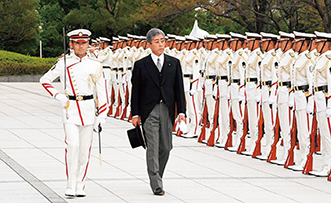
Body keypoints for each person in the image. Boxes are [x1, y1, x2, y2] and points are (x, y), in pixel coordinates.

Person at [40, 29, 108, 197]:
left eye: (83, 43)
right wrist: (57, 96)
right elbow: (45, 80)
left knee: (84, 150)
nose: (80, 46)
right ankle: (70, 184)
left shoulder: (95, 64)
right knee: (73, 145)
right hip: (70, 108)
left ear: (88, 44)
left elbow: (102, 91)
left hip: (88, 108)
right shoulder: (64, 62)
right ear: (71, 44)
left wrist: (102, 115)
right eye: (76, 43)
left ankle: (80, 184)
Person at [130, 28, 186, 195]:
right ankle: (156, 183)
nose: (161, 44)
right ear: (149, 44)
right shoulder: (141, 65)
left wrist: (181, 111)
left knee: (166, 147)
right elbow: (136, 91)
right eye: (157, 41)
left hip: (167, 109)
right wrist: (135, 114)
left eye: (162, 41)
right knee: (152, 146)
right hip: (149, 111)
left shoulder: (174, 63)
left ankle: (157, 175)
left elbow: (179, 89)